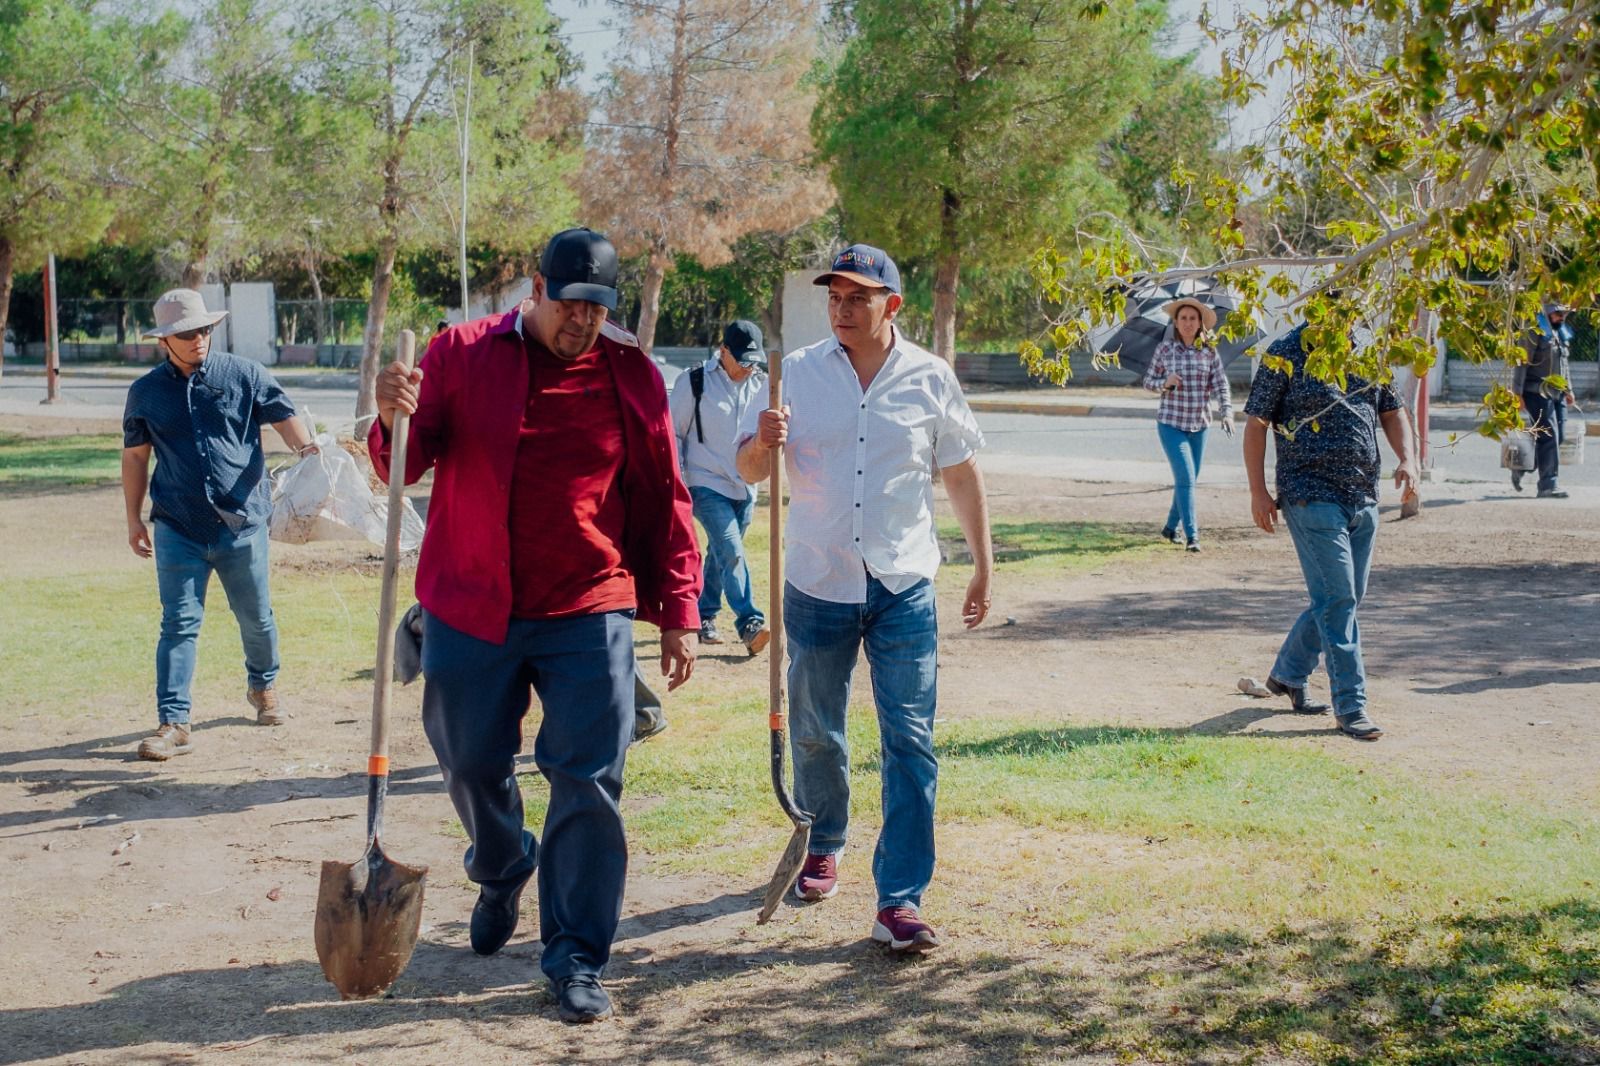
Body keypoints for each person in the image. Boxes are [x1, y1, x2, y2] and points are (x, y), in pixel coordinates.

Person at [369, 227, 701, 1024]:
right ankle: (503, 859)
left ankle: (576, 957)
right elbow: (403, 466)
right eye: (571, 304)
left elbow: (663, 493)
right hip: (471, 601)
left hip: (590, 604)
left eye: (598, 307)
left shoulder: (631, 374)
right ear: (536, 290)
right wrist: (390, 418)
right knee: (472, 759)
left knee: (588, 779)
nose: (583, 321)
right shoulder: (458, 353)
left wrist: (679, 611)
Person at [735, 243, 992, 953]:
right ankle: (826, 840)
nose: (844, 310)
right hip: (817, 581)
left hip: (903, 584)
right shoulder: (796, 377)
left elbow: (963, 476)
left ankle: (900, 900)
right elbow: (747, 468)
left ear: (893, 305)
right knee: (818, 729)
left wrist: (982, 565)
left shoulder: (931, 379)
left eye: (859, 298)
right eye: (835, 298)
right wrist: (762, 443)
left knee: (910, 740)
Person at [121, 288, 317, 761]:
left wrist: (310, 455)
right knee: (178, 623)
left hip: (242, 524)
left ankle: (263, 688)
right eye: (186, 333)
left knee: (257, 617)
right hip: (177, 527)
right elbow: (135, 456)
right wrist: (132, 518)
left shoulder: (244, 374)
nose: (198, 340)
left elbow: (286, 420)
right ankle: (174, 722)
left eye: (204, 330)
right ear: (164, 341)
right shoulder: (145, 392)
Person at [1241, 321, 1418, 742]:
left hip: (1363, 496)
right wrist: (1258, 492)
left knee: (1344, 597)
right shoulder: (1285, 351)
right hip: (1309, 495)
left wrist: (1409, 460)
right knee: (1338, 601)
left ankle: (1288, 673)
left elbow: (1392, 411)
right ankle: (1352, 706)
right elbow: (1256, 423)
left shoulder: (1368, 347)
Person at [670, 319, 770, 653]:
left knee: (720, 552)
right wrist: (680, 481)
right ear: (723, 350)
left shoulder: (762, 384)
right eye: (741, 359)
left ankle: (705, 614)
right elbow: (673, 433)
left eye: (752, 360)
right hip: (705, 483)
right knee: (732, 551)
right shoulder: (694, 382)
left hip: (745, 486)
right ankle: (750, 623)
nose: (747, 368)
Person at [1141, 297, 1233, 552]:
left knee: (1188, 480)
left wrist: (1226, 412)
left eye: (1193, 318)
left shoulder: (1209, 351)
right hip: (1171, 423)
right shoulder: (1165, 349)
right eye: (1183, 318)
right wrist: (1164, 382)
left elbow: (1221, 385)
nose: (1188, 323)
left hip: (1200, 425)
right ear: (1176, 322)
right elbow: (1148, 382)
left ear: (1201, 323)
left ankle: (1170, 527)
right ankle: (1192, 535)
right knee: (1186, 478)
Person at [1511, 303, 1576, 498]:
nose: (1561, 317)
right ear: (1547, 313)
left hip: (1557, 391)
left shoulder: (1559, 332)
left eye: (1563, 314)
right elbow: (1521, 362)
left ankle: (1522, 466)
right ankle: (1548, 484)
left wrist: (1569, 390)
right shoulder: (1533, 330)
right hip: (1535, 391)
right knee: (1549, 437)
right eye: (1558, 313)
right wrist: (1517, 393)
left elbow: (1563, 363)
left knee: (1559, 436)